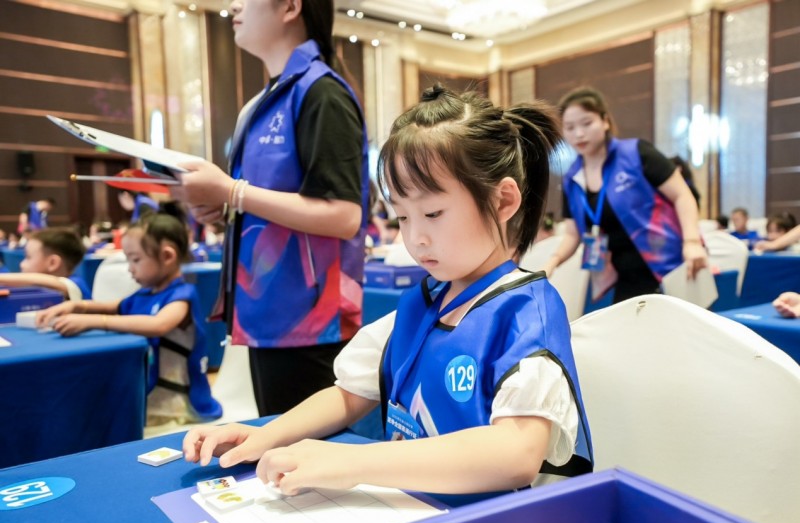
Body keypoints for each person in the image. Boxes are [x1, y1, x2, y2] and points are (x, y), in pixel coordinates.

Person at [182, 85, 593, 498]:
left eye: (433, 213)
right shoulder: (422, 304)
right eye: (402, 217)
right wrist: (263, 436)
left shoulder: (527, 313)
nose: (415, 238)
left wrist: (352, 463)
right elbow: (349, 394)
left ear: (503, 201)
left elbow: (515, 454)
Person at [176, 0, 368, 417]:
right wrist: (227, 208)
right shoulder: (268, 100)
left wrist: (233, 192)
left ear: (290, 8)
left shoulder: (322, 93)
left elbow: (344, 215)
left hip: (310, 320)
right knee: (279, 443)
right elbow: (271, 201)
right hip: (268, 311)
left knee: (305, 450)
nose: (233, 6)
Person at [36, 212, 222, 428]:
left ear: (167, 256)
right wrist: (77, 306)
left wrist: (94, 321)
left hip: (171, 405)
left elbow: (158, 325)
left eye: (136, 260)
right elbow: (115, 306)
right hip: (147, 392)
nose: (129, 268)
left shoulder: (181, 296)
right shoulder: (146, 293)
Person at [545, 87, 707, 303]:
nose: (579, 134)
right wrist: (551, 263)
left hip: (670, 266)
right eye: (570, 128)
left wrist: (692, 242)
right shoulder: (572, 179)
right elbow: (572, 235)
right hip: (625, 277)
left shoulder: (636, 153)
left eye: (586, 123)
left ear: (605, 121)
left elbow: (682, 195)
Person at [0, 227, 90, 301]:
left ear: (53, 263)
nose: (22, 264)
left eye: (28, 257)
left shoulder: (76, 284)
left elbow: (47, 281)